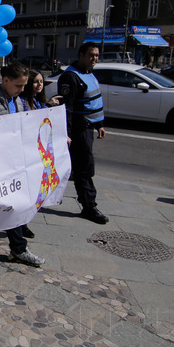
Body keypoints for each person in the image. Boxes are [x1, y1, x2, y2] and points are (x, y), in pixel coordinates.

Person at [0, 61, 45, 267]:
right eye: (19, 85)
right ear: (6, 80)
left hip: (15, 162)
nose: (23, 89)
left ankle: (18, 247)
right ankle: (16, 247)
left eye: (24, 86)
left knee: (16, 204)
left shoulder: (19, 101)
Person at [58, 42, 108, 225]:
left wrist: (99, 125)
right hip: (78, 130)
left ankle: (88, 203)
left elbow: (93, 103)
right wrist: (67, 134)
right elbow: (68, 108)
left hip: (88, 127)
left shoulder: (89, 74)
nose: (94, 58)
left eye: (96, 55)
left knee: (82, 167)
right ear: (81, 55)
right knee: (84, 169)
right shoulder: (70, 77)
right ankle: (89, 206)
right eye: (91, 55)